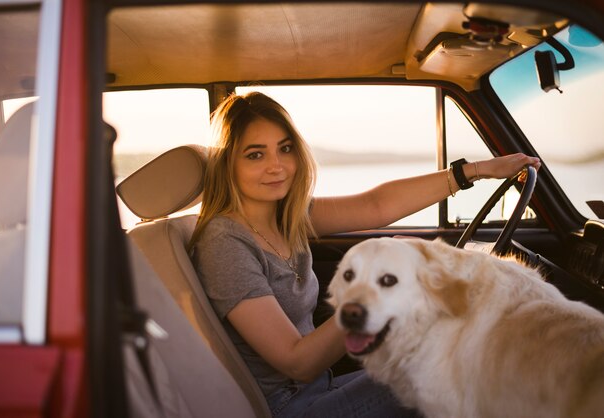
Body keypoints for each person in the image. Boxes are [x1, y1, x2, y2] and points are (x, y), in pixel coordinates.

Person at [190, 91, 541, 417]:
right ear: (226, 165)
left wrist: (476, 171)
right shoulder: (224, 242)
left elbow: (376, 205)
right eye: (255, 155)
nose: (277, 166)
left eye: (284, 149)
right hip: (291, 406)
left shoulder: (287, 216)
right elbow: (297, 363)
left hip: (321, 386)